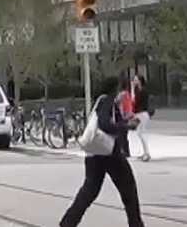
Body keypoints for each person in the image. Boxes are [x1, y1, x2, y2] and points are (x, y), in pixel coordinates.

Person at [60, 76, 144, 227]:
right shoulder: (107, 100)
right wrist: (126, 127)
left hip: (94, 153)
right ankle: (136, 224)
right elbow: (106, 125)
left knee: (89, 191)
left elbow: (106, 122)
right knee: (128, 188)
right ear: (115, 89)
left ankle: (68, 222)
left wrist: (124, 122)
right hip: (109, 152)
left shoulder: (101, 100)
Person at [131, 75, 153, 162]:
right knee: (140, 133)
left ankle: (147, 153)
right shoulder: (139, 90)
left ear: (140, 81)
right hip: (140, 114)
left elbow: (134, 100)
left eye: (136, 80)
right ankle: (145, 153)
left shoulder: (142, 91)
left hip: (142, 114)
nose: (134, 81)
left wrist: (132, 89)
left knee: (141, 133)